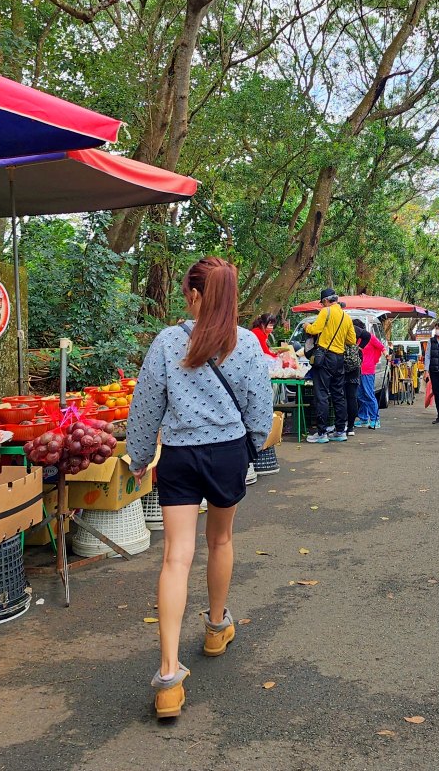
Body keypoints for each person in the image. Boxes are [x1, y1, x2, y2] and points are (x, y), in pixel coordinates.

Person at [123, 257, 274, 718]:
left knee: (175, 555)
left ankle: (168, 675)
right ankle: (215, 627)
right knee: (221, 538)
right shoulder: (246, 344)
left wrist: (141, 456)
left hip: (181, 458)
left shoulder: (168, 342)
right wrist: (251, 442)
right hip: (227, 452)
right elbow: (260, 408)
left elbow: (146, 406)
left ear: (192, 294)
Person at [303, 288, 356, 443]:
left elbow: (315, 329)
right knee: (339, 395)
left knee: (322, 394)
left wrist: (306, 326)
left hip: (325, 357)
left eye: (322, 303)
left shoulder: (325, 312)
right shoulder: (346, 317)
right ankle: (340, 431)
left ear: (326, 301)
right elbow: (352, 340)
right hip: (339, 359)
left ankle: (321, 433)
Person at [356, 321, 386, 430]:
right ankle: (364, 418)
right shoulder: (355, 339)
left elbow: (382, 347)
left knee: (368, 394)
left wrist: (387, 355)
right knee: (359, 395)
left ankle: (375, 419)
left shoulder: (370, 338)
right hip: (357, 370)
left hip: (368, 370)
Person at [344, 319, 364, 437]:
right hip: (354, 376)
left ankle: (341, 425)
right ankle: (351, 427)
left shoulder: (341, 344)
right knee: (352, 399)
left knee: (341, 399)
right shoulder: (357, 349)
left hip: (341, 375)